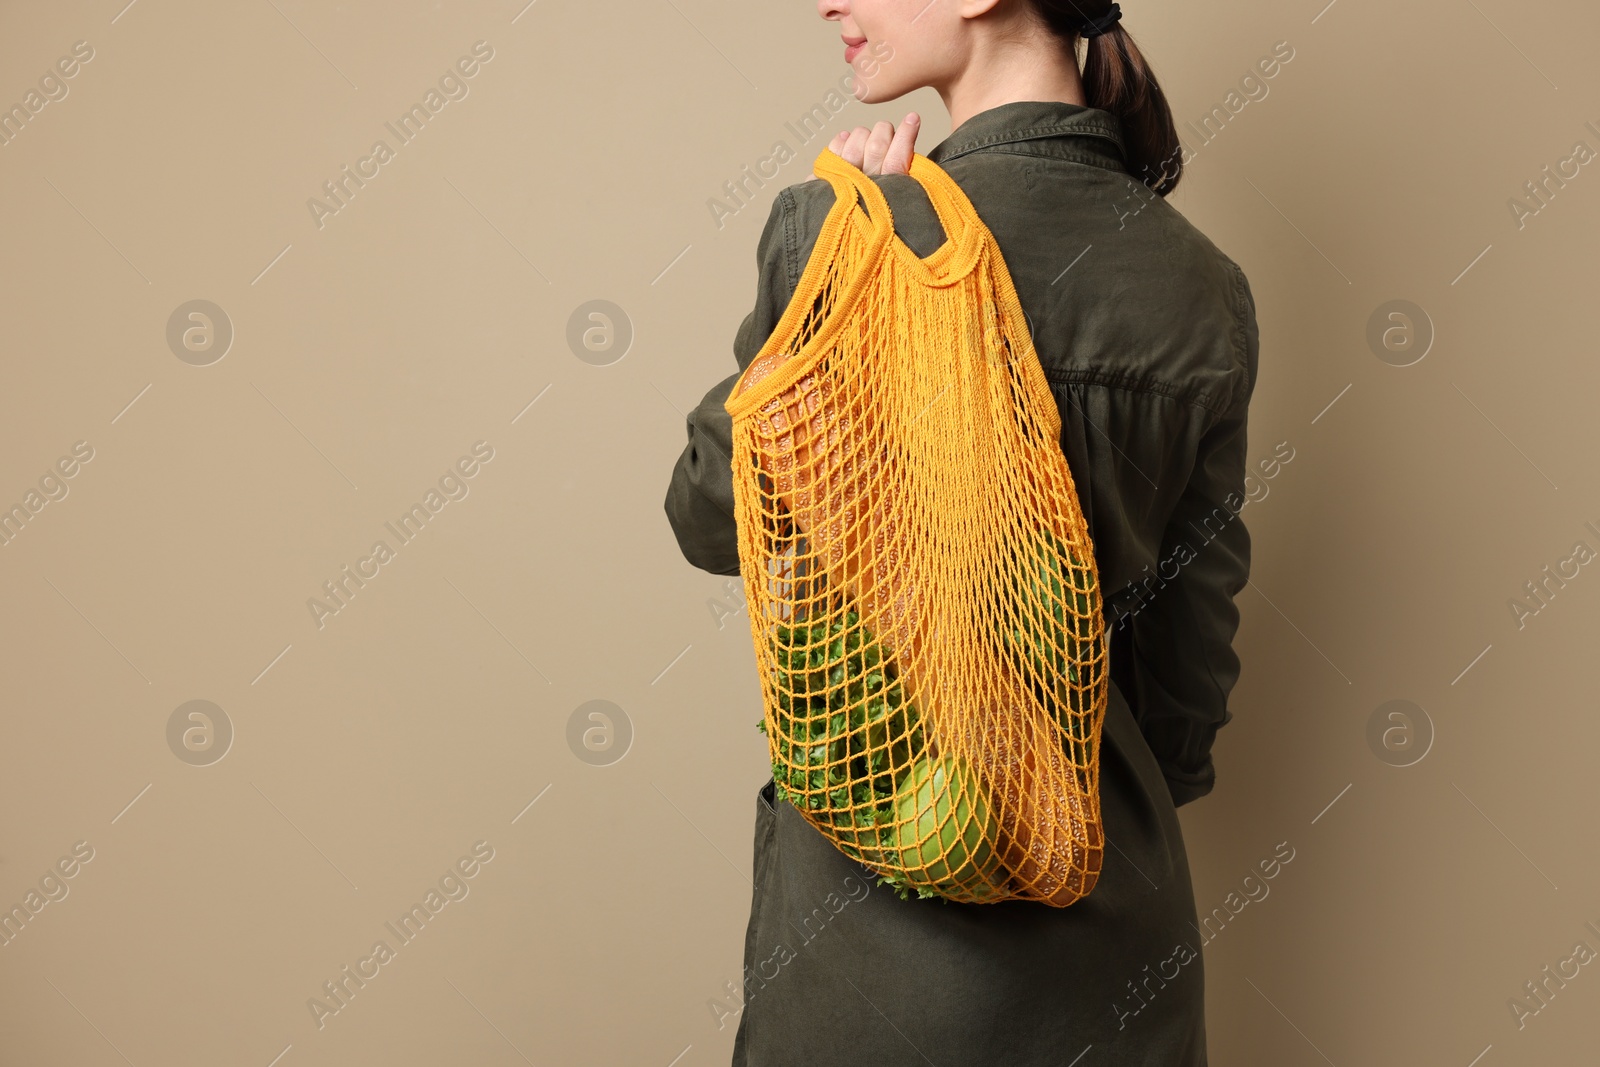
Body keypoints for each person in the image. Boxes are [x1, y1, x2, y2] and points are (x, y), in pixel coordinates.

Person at [663, 0, 1259, 1063]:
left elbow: (710, 511)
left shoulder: (843, 232)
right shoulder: (1205, 287)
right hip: (1114, 958)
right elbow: (1184, 691)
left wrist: (833, 270)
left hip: (871, 953)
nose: (829, 2)